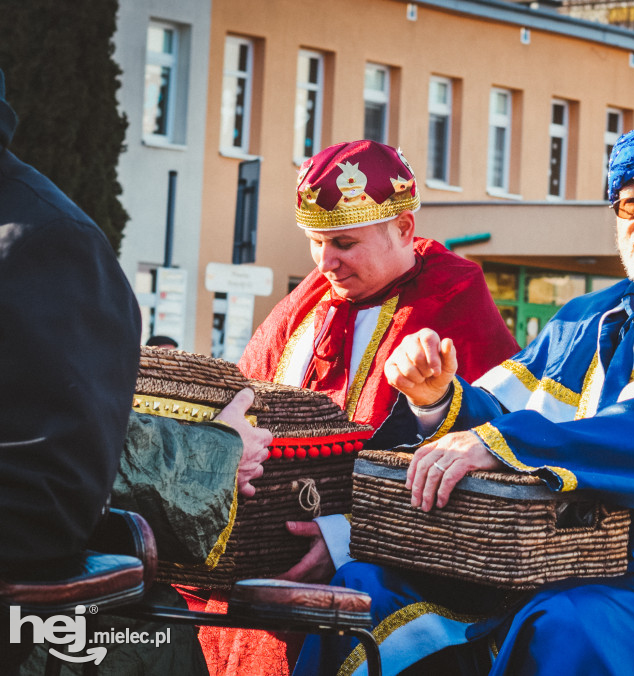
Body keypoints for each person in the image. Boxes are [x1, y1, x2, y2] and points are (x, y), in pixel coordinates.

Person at [293, 122, 634, 676]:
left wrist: (505, 443)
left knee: (561, 625)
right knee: (363, 591)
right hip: (546, 563)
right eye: (630, 206)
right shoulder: (583, 317)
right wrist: (439, 401)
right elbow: (502, 419)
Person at [196, 140, 518, 675]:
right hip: (266, 560)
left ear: (404, 229)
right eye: (316, 242)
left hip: (389, 569)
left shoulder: (453, 301)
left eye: (344, 242)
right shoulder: (305, 304)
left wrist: (345, 537)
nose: (326, 263)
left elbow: (482, 465)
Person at [0, 68, 272, 675]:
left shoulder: (43, 240)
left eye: (347, 244)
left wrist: (212, 450)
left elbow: (46, 482)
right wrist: (212, 451)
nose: (329, 259)